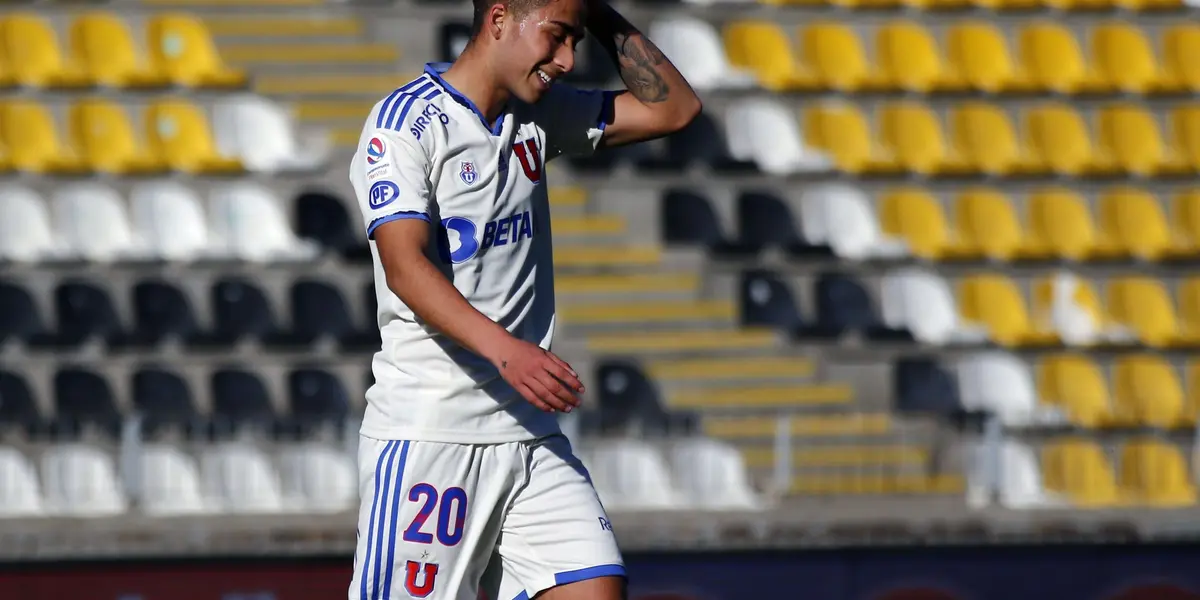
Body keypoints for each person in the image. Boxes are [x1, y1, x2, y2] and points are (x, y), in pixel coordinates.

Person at [346, 0, 700, 596]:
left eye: (575, 42)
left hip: (528, 435)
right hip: (432, 435)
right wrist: (506, 352)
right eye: (557, 36)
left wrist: (597, 12)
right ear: (500, 17)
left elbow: (675, 108)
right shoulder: (405, 123)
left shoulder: (539, 115)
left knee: (596, 588)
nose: (566, 60)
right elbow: (405, 267)